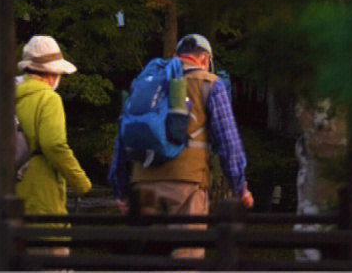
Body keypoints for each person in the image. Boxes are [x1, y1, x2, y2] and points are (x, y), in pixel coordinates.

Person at [109, 33, 254, 259]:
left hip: (142, 184)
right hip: (186, 185)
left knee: (148, 260)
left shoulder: (145, 83)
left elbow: (123, 136)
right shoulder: (210, 84)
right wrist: (240, 186)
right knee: (186, 257)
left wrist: (120, 189)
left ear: (178, 56)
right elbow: (228, 141)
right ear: (205, 59)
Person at [14, 35, 93, 220]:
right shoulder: (48, 99)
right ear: (52, 73)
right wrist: (81, 183)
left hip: (1, 192)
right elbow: (54, 145)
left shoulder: (4, 96)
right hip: (39, 194)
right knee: (50, 245)